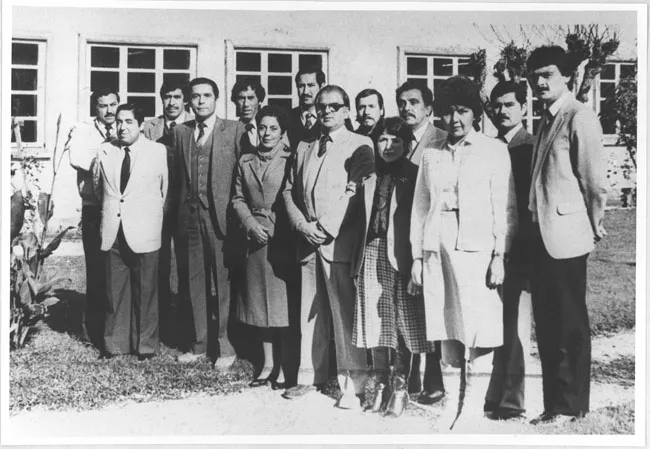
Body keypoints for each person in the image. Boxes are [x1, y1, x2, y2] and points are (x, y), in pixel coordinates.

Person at [410, 75, 518, 391]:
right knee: (446, 325)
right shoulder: (431, 152)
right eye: (448, 111)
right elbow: (420, 206)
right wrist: (417, 256)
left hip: (477, 248)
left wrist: (499, 255)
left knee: (478, 325)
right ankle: (451, 403)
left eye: (462, 111)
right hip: (437, 244)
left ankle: (472, 405)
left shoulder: (493, 150)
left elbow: (505, 207)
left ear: (475, 113)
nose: (454, 119)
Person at [526, 46, 608, 424]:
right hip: (541, 236)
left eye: (547, 75)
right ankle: (553, 405)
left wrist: (595, 222)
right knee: (547, 323)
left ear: (566, 77)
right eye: (534, 77)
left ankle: (572, 405)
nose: (540, 83)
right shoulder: (546, 118)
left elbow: (594, 180)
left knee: (569, 323)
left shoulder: (579, 116)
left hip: (568, 236)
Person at [282, 85, 375, 408]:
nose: (326, 111)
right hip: (307, 241)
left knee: (344, 313)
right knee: (310, 315)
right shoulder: (305, 145)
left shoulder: (360, 143)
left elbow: (355, 191)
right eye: (321, 106)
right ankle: (309, 376)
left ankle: (354, 384)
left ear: (347, 111)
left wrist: (324, 228)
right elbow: (288, 190)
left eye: (334, 106)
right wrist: (301, 226)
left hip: (338, 242)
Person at [352, 116, 436, 417]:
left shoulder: (415, 175)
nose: (388, 146)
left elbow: (423, 220)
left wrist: (418, 263)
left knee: (402, 324)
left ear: (407, 144)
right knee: (375, 320)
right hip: (371, 253)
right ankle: (380, 385)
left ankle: (401, 388)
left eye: (396, 141)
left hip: (401, 256)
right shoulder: (368, 177)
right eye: (383, 139)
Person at [170, 77, 245, 369]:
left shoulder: (234, 130)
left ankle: (225, 346)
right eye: (196, 96)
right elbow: (177, 178)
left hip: (221, 220)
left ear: (216, 99)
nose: (201, 101)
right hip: (189, 219)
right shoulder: (181, 132)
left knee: (223, 285)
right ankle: (199, 343)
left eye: (207, 95)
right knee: (194, 282)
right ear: (189, 101)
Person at [94, 103, 168, 360]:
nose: (122, 127)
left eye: (128, 122)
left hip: (145, 229)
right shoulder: (105, 150)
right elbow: (99, 189)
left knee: (146, 291)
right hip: (113, 229)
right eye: (119, 122)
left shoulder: (157, 151)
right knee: (114, 291)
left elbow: (164, 190)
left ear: (141, 125)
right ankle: (115, 344)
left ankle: (145, 346)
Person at [231, 105, 295, 389]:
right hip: (254, 239)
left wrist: (278, 229)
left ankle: (284, 365)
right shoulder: (245, 161)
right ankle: (267, 363)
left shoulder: (291, 159)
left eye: (273, 128)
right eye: (263, 128)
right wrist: (249, 224)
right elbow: (237, 198)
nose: (267, 133)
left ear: (282, 132)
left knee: (281, 305)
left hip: (281, 238)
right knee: (259, 304)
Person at [484, 81, 536, 421]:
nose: (502, 111)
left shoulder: (531, 146)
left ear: (523, 108)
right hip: (491, 245)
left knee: (515, 323)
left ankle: (513, 399)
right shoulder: (488, 147)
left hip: (521, 247)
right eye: (497, 106)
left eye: (509, 105)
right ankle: (493, 392)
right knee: (493, 320)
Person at [395, 80, 447, 403]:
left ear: (429, 108)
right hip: (402, 236)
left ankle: (435, 378)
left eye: (414, 102)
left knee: (432, 308)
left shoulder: (441, 139)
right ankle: (409, 374)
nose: (407, 108)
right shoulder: (396, 139)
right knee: (407, 310)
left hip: (432, 238)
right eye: (402, 103)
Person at [142, 80, 194, 343]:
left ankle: (185, 322)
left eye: (177, 97)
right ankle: (160, 319)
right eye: (167, 97)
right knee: (158, 264)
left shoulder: (193, 126)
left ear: (185, 100)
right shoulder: (148, 127)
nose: (172, 102)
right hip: (157, 206)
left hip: (184, 205)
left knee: (186, 264)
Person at [68, 87, 120, 350]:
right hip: (94, 208)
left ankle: (118, 327)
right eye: (103, 105)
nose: (109, 111)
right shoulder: (83, 130)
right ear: (95, 108)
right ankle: (93, 329)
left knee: (118, 269)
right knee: (97, 269)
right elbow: (78, 158)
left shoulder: (124, 126)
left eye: (113, 104)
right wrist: (109, 157)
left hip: (118, 207)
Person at [286, 66, 325, 150]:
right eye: (301, 86)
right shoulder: (287, 117)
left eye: (311, 85)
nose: (305, 91)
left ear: (321, 86)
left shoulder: (330, 117)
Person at [231, 80, 266, 154]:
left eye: (250, 98)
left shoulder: (268, 129)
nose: (246, 104)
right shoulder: (231, 132)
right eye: (241, 98)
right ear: (235, 101)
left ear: (260, 101)